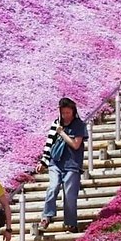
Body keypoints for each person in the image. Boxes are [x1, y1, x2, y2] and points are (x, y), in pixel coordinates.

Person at [37, 97, 87, 233]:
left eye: (68, 113)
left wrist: (62, 133)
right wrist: (43, 161)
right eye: (63, 113)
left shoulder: (79, 125)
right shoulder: (56, 123)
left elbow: (76, 145)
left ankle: (70, 223)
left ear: (73, 111)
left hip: (72, 165)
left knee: (70, 194)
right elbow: (49, 143)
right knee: (52, 187)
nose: (65, 116)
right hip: (55, 163)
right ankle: (46, 217)